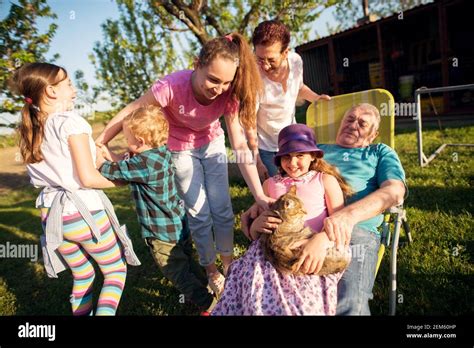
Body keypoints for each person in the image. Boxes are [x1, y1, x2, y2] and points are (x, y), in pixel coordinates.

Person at [95, 33, 272, 298]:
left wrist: (258, 193)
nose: (219, 89)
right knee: (199, 213)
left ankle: (228, 263)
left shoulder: (229, 93)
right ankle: (211, 269)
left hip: (211, 143)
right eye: (213, 79)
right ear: (196, 63)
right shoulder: (171, 86)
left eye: (226, 82)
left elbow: (239, 144)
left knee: (222, 209)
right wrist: (100, 141)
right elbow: (133, 109)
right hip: (179, 149)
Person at [241, 103, 407, 315]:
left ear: (373, 135)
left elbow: (394, 192)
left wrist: (345, 219)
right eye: (349, 119)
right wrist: (259, 206)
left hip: (354, 229)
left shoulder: (379, 152)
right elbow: (286, 184)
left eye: (362, 123)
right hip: (294, 229)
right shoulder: (312, 150)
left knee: (349, 303)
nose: (353, 125)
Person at [11, 62, 140, 316]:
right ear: (50, 91)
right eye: (68, 84)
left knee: (83, 274)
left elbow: (66, 168)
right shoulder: (70, 122)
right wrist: (124, 180)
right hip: (82, 212)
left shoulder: (33, 129)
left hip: (51, 217)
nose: (74, 89)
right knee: (115, 270)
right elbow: (88, 177)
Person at [212, 124, 352, 315]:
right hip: (268, 253)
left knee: (304, 301)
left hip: (310, 250)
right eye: (286, 156)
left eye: (300, 155)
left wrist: (321, 241)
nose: (292, 163)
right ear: (279, 159)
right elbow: (254, 232)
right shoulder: (270, 184)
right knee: (257, 291)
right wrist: (256, 227)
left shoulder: (324, 180)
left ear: (313, 156)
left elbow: (339, 221)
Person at [96, 105, 215, 312]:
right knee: (187, 262)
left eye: (127, 138)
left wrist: (98, 159)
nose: (125, 142)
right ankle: (205, 287)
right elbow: (126, 168)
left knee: (176, 272)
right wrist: (112, 155)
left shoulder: (143, 164)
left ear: (140, 141)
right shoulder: (161, 154)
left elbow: (112, 171)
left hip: (162, 234)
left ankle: (210, 305)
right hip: (178, 226)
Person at [249, 20, 331, 179]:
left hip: (293, 139)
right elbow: (249, 122)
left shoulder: (295, 61)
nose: (265, 66)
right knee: (277, 189)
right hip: (267, 146)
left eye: (271, 60)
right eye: (260, 59)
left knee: (302, 183)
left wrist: (315, 98)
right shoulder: (253, 77)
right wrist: (256, 159)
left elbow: (299, 87)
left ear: (285, 52)